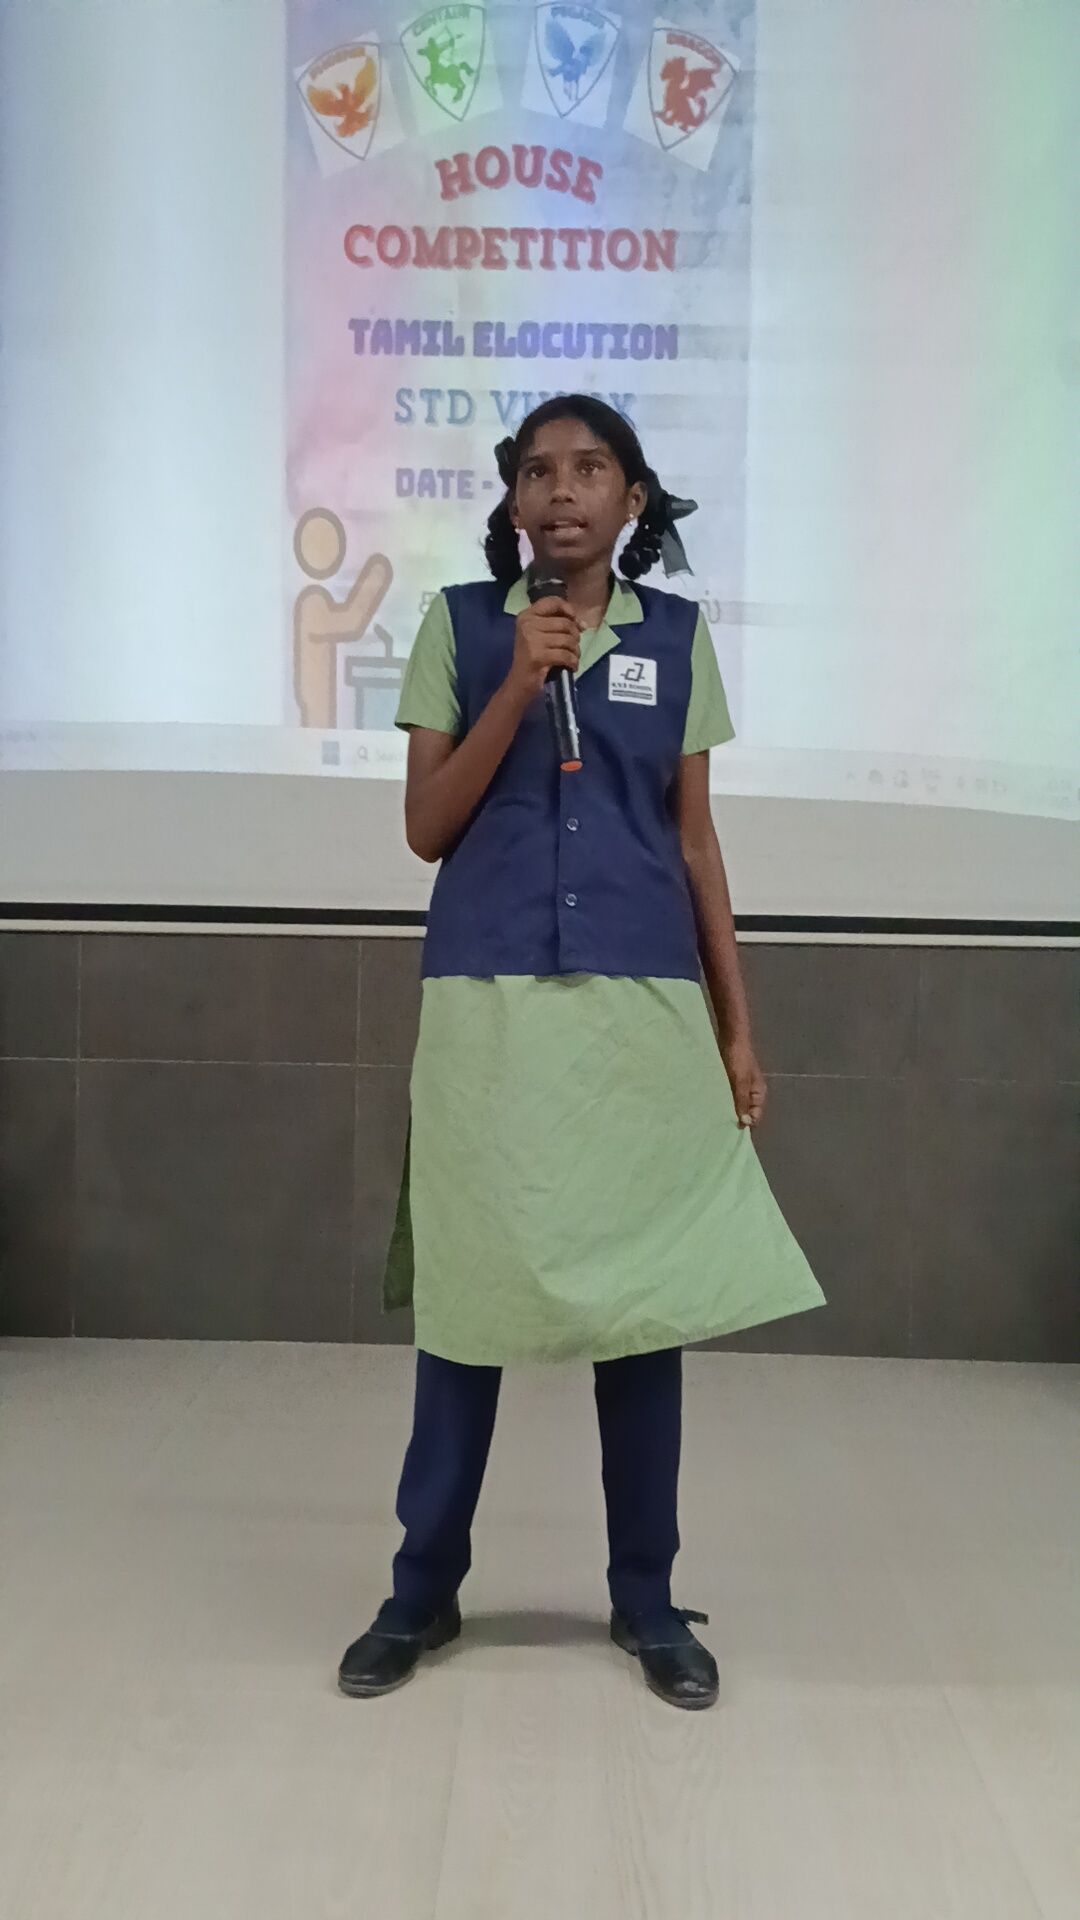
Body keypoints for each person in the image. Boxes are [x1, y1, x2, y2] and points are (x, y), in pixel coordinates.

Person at [338, 397, 824, 1710]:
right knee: (469, 1302)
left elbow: (695, 844)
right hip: (487, 1003)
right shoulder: (462, 626)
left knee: (641, 1308)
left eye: (590, 468)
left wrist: (736, 1027)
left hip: (640, 1012)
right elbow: (426, 827)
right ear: (513, 504)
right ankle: (420, 1590)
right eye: (539, 472)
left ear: (632, 500)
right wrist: (517, 683)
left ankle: (648, 1599)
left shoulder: (675, 638)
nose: (562, 490)